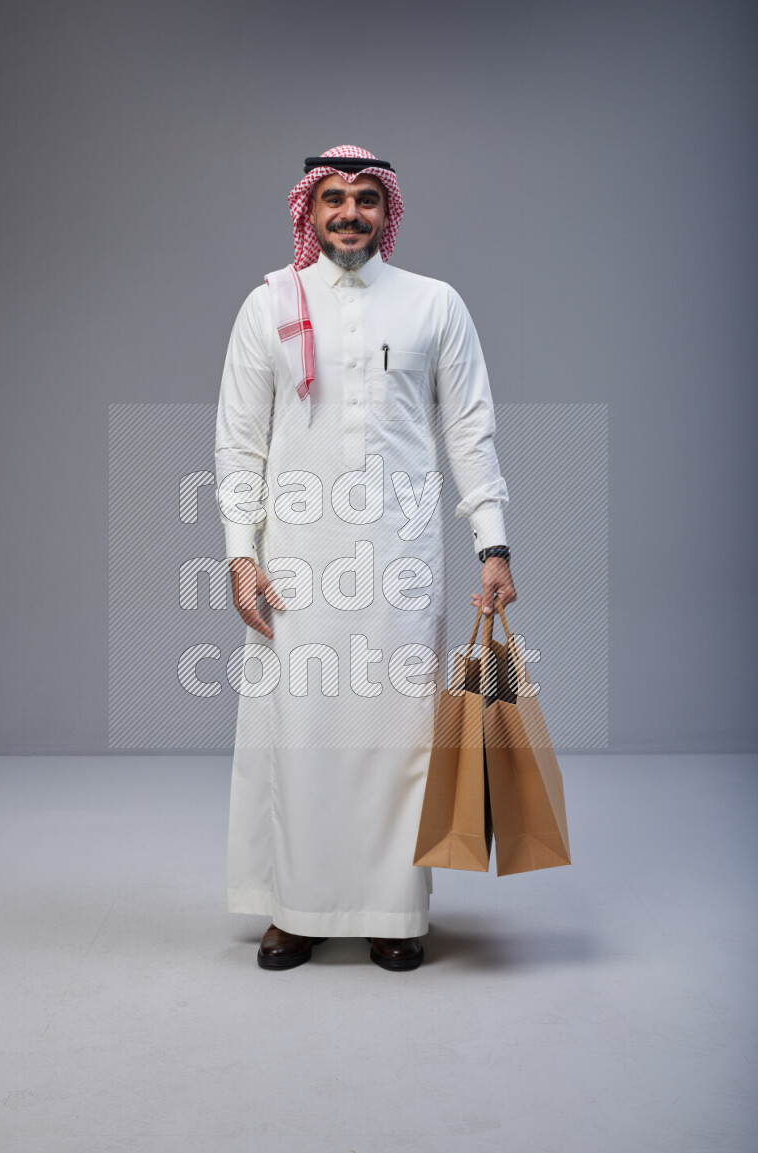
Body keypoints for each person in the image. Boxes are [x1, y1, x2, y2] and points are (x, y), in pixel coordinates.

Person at [214, 145, 516, 972]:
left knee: (401, 735)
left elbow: (469, 429)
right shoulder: (269, 303)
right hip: (297, 561)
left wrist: (493, 541)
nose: (349, 213)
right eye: (334, 200)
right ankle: (296, 910)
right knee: (300, 732)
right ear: (308, 213)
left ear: (389, 212)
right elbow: (239, 443)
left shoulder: (434, 305)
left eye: (366, 200)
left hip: (401, 557)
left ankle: (393, 909)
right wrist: (241, 554)